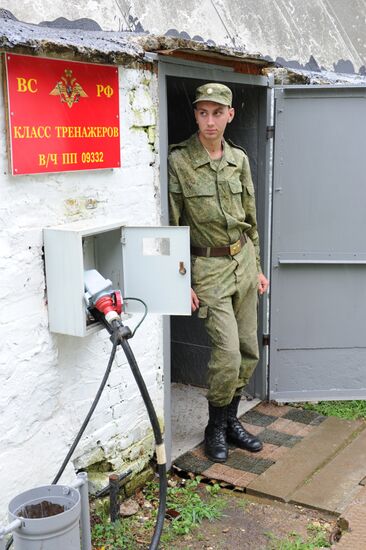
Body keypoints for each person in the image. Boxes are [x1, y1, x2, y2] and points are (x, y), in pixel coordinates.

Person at [168, 82, 269, 463]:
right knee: (226, 354)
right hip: (207, 267)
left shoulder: (238, 159)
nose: (210, 121)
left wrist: (257, 267)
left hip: (243, 262)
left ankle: (230, 422)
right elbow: (173, 226)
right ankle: (214, 426)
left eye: (217, 113)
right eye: (202, 113)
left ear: (230, 115)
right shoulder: (179, 161)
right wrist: (180, 280)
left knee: (248, 352)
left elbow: (251, 220)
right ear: (195, 115)